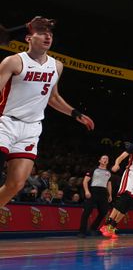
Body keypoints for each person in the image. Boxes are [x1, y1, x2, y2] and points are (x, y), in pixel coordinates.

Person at [0, 17, 95, 208]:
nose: (48, 37)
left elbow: (53, 98)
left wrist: (75, 113)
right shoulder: (13, 61)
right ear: (28, 38)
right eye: (42, 33)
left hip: (32, 129)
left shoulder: (56, 66)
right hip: (6, 123)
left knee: (16, 184)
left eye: (50, 34)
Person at [79, 154, 113, 237]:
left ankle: (93, 228)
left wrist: (110, 195)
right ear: (100, 161)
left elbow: (109, 184)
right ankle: (82, 232)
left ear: (108, 162)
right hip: (93, 191)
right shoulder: (93, 169)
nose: (105, 159)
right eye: (103, 158)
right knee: (87, 211)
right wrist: (87, 191)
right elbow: (85, 181)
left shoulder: (109, 172)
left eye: (107, 158)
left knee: (104, 211)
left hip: (103, 192)